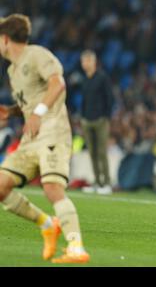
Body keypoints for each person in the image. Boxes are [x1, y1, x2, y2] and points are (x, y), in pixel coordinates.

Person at [0, 14, 89, 263]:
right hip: (31, 138)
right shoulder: (12, 69)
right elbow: (32, 100)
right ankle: (48, 223)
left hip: (53, 131)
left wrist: (38, 113)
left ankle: (76, 248)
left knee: (52, 188)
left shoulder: (37, 54)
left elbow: (57, 83)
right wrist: (12, 111)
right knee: (1, 185)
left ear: (5, 39)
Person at [80, 50, 114, 194]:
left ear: (94, 62)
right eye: (84, 61)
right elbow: (84, 100)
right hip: (86, 120)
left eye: (88, 61)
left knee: (101, 152)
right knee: (92, 153)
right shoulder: (85, 79)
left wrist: (106, 116)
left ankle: (106, 183)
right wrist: (82, 116)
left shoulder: (102, 77)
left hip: (100, 120)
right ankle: (97, 182)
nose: (85, 64)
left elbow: (110, 98)